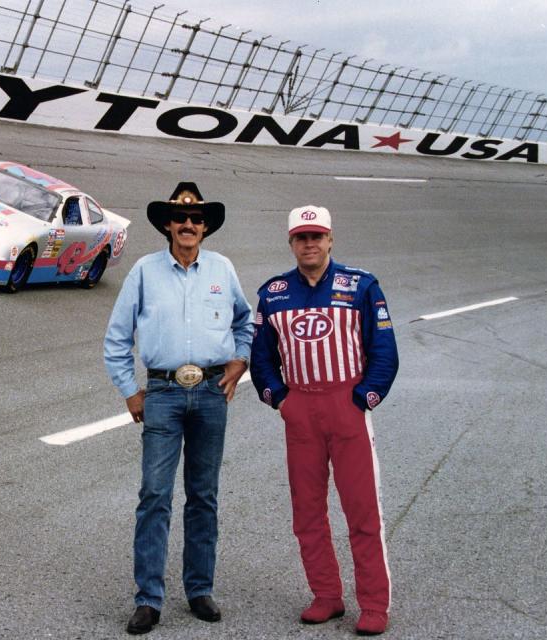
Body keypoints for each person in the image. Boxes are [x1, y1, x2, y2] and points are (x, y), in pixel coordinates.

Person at [104, 183, 254, 635]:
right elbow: (116, 337)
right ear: (167, 224)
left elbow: (245, 321)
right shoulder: (145, 272)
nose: (188, 224)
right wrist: (131, 390)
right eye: (180, 217)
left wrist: (239, 361)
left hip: (211, 393)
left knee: (203, 497)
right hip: (164, 395)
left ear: (205, 227)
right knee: (154, 495)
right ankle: (149, 599)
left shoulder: (222, 269)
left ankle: (199, 590)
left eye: (197, 219)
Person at [249, 205, 399, 636]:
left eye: (317, 236)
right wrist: (279, 399)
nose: (309, 244)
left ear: (330, 239)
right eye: (301, 237)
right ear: (291, 242)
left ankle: (373, 603)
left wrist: (363, 398)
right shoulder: (273, 293)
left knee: (362, 512)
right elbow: (262, 357)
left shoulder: (361, 286)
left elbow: (384, 349)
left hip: (345, 405)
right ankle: (327, 596)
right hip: (301, 411)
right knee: (307, 513)